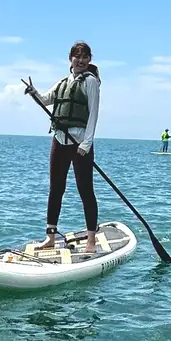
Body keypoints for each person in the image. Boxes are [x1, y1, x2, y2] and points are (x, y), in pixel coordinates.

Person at [29, 41, 101, 256]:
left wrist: (86, 144)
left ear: (89, 60)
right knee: (56, 189)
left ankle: (90, 238)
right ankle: (50, 236)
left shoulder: (91, 82)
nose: (81, 61)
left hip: (80, 144)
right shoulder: (62, 82)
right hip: (59, 140)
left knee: (85, 190)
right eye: (77, 56)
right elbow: (45, 99)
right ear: (70, 58)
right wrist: (33, 92)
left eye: (85, 57)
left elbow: (94, 113)